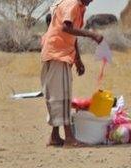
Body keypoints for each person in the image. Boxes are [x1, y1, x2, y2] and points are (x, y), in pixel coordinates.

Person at [40, 0, 103, 148]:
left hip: (59, 53)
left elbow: (71, 35)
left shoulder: (76, 6)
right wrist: (91, 35)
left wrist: (78, 59)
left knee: (58, 94)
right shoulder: (72, 4)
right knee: (62, 96)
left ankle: (55, 136)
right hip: (57, 54)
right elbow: (67, 27)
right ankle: (69, 138)